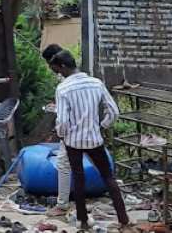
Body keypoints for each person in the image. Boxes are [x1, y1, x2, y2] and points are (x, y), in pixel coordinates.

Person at [50, 50, 131, 232]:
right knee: (108, 177)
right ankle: (124, 220)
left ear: (63, 67)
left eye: (58, 70)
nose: (58, 74)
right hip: (95, 139)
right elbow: (114, 111)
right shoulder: (96, 83)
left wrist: (61, 134)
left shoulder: (63, 88)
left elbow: (62, 120)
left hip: (73, 141)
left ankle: (83, 221)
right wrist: (102, 125)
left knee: (78, 179)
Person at [41, 43, 72, 217]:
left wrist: (60, 131)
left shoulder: (65, 82)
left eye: (49, 63)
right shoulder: (89, 79)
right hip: (91, 131)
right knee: (100, 166)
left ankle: (62, 205)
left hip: (72, 132)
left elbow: (64, 113)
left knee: (64, 164)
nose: (49, 68)